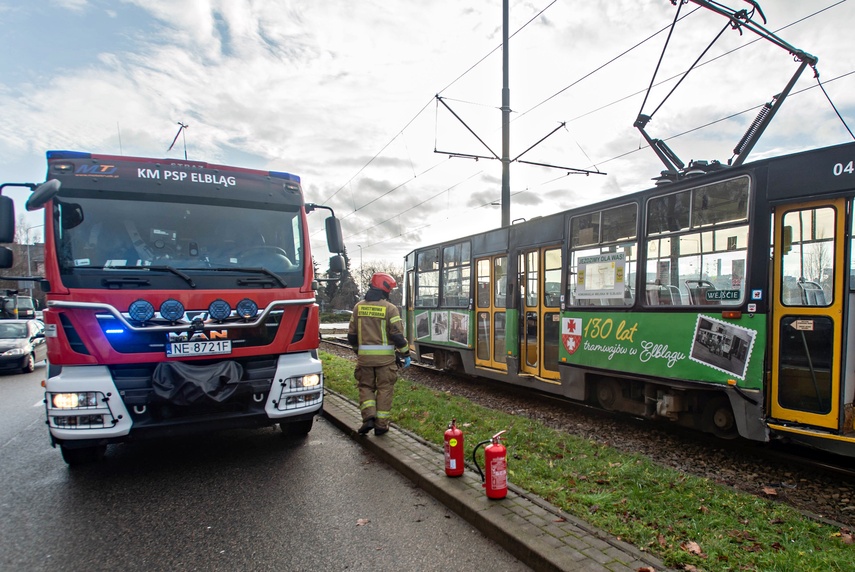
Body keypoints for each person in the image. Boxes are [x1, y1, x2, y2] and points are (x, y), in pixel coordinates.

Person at [347, 272, 410, 436]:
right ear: (385, 289)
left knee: (365, 387)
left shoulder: (358, 307)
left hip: (364, 360)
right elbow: (397, 335)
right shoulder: (390, 309)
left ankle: (368, 417)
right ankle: (381, 425)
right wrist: (405, 353)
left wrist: (358, 351)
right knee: (384, 389)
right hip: (385, 362)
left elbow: (351, 336)